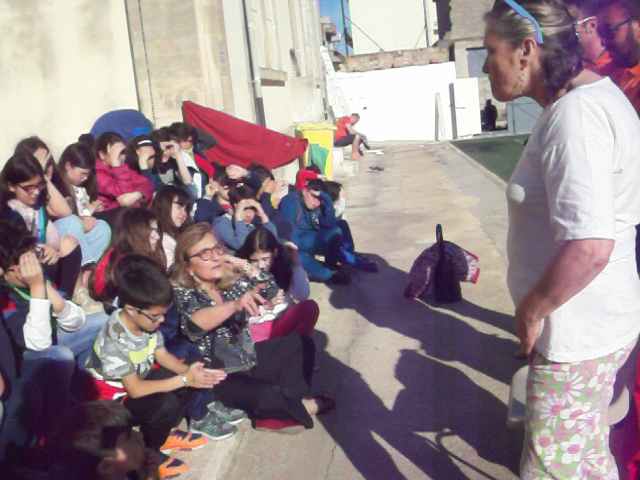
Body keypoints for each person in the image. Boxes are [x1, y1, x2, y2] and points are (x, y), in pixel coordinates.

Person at [483, 1, 640, 478]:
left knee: (551, 470)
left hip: (577, 334)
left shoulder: (577, 116)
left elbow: (590, 245)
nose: (486, 65)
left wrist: (531, 311)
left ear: (526, 49)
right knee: (586, 459)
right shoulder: (591, 97)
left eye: (490, 51)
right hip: (596, 324)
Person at [171, 223, 334, 434]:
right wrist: (234, 305)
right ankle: (296, 408)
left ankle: (281, 409)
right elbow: (194, 324)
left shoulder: (226, 281)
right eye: (205, 253)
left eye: (217, 249)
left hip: (247, 358)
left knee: (301, 344)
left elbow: (272, 290)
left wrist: (246, 266)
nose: (215, 257)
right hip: (219, 376)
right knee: (263, 393)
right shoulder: (182, 290)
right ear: (187, 265)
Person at [85, 255, 227, 479]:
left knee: (188, 372)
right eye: (155, 316)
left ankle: (161, 435)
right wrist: (184, 379)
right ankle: (148, 452)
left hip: (135, 386)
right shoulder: (115, 337)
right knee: (166, 403)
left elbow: (162, 354)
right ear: (131, 310)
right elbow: (135, 390)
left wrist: (193, 374)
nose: (161, 321)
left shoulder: (147, 323)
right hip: (112, 405)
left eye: (164, 314)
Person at [0, 220, 108, 456]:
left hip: (49, 342)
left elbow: (75, 322)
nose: (34, 266)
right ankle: (56, 427)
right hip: (24, 362)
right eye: (26, 263)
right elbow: (38, 345)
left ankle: (81, 394)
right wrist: (38, 288)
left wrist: (48, 291)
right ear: (8, 270)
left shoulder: (34, 279)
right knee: (60, 356)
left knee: (101, 321)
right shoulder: (7, 297)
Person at [0, 151, 83, 299]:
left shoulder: (36, 207)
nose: (36, 192)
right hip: (21, 269)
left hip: (41, 259)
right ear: (11, 186)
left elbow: (63, 214)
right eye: (29, 188)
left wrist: (51, 249)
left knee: (70, 242)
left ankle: (65, 297)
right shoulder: (8, 213)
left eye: (39, 185)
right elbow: (16, 252)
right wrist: (41, 250)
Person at [236, 227, 318, 341]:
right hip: (259, 327)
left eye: (265, 259)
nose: (260, 265)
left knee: (310, 307)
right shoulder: (242, 272)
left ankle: (297, 344)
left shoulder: (284, 267)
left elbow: (302, 295)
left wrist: (296, 264)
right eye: (254, 260)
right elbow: (241, 315)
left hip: (282, 319)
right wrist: (266, 305)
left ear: (275, 253)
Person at [48, 400, 160, 480]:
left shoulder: (124, 472)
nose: (140, 435)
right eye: (129, 437)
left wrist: (149, 473)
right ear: (106, 466)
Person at [278, 179, 351, 285]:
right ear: (304, 191)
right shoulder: (290, 202)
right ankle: (329, 273)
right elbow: (290, 237)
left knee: (336, 231)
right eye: (314, 197)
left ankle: (331, 265)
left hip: (309, 241)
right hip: (293, 245)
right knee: (318, 270)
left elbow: (329, 225)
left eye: (319, 199)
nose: (316, 203)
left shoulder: (319, 203)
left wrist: (327, 201)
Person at [92, 208, 167, 303]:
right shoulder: (127, 266)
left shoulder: (117, 255)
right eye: (152, 231)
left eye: (157, 231)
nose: (158, 237)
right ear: (137, 233)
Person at [89, 132, 154, 226]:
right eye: (117, 154)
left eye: (123, 152)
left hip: (127, 215)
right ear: (102, 155)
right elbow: (124, 195)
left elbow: (147, 184)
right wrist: (116, 164)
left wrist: (138, 194)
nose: (122, 157)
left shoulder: (124, 168)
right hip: (109, 220)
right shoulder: (97, 174)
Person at [597, 0, 640, 113]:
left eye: (608, 31)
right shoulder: (601, 72)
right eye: (600, 32)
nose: (603, 42)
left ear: (637, 26)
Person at [212, 184, 278, 252]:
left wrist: (262, 214)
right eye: (244, 209)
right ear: (233, 207)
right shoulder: (221, 223)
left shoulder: (251, 225)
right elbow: (242, 246)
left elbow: (273, 243)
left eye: (253, 209)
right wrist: (238, 217)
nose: (249, 214)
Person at [565, 0, 616, 75]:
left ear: (591, 25)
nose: (561, 33)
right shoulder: (571, 70)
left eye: (567, 26)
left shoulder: (621, 68)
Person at [151, 186, 193, 268]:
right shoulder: (159, 239)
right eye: (179, 207)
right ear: (165, 206)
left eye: (186, 209)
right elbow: (172, 272)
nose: (184, 213)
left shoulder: (181, 235)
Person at [151, 127, 195, 197]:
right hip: (158, 198)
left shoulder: (175, 159)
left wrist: (178, 154)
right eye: (167, 147)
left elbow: (188, 182)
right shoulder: (151, 160)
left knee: (192, 190)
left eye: (169, 147)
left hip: (174, 198)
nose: (165, 152)